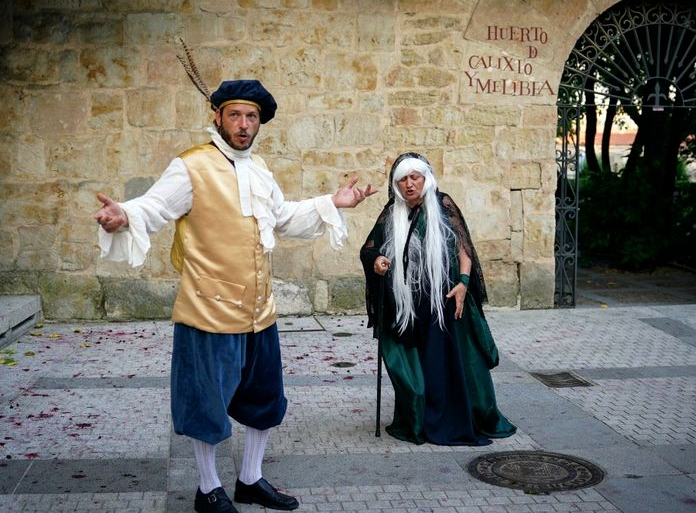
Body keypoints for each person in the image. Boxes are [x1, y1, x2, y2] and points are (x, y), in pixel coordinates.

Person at [95, 79, 376, 513]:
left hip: (259, 311)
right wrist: (123, 215)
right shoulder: (192, 166)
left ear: (259, 122)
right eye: (235, 115)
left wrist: (332, 202)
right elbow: (154, 207)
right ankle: (207, 489)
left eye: (251, 117)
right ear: (217, 117)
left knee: (263, 399)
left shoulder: (260, 170)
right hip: (208, 310)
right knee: (206, 404)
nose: (244, 125)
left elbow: (282, 218)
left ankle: (250, 479)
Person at [360, 152, 515, 446]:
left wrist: (463, 283)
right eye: (403, 179)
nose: (409, 184)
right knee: (416, 367)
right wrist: (378, 259)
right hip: (408, 306)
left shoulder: (442, 204)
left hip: (443, 301)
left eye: (414, 177)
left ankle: (451, 418)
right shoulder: (391, 212)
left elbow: (463, 246)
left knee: (445, 365)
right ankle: (419, 418)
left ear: (425, 178)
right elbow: (368, 248)